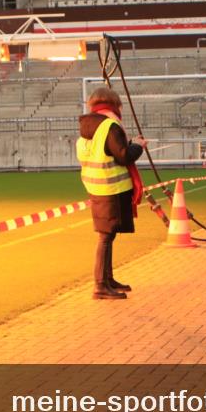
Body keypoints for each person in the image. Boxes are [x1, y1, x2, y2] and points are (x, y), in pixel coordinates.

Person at [77, 87, 147, 300]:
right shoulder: (110, 126)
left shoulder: (87, 127)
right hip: (112, 189)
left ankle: (107, 279)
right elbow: (123, 156)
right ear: (114, 105)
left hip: (97, 188)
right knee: (106, 237)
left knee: (108, 235)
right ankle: (100, 285)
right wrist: (138, 146)